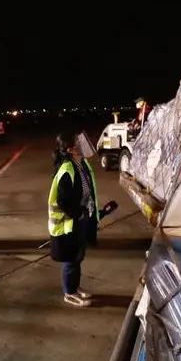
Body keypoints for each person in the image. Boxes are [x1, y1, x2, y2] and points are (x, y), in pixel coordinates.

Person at [48, 132, 108, 308]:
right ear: (71, 149)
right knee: (71, 259)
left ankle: (74, 286)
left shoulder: (81, 164)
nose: (84, 144)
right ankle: (69, 293)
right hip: (68, 224)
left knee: (78, 257)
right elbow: (63, 200)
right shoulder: (68, 169)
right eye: (79, 142)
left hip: (80, 219)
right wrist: (78, 213)